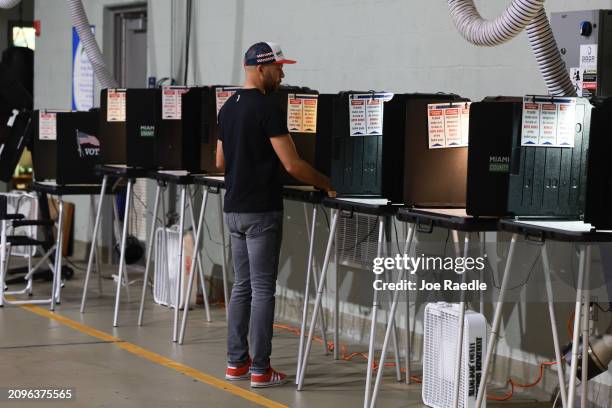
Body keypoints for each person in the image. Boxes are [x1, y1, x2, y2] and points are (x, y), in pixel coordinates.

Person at [216, 41, 332, 388]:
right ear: (261, 68)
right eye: (279, 68)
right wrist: (326, 182)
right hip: (262, 212)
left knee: (242, 288)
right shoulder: (267, 108)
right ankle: (261, 370)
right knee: (264, 289)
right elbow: (293, 164)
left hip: (234, 210)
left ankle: (236, 363)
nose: (282, 74)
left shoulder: (227, 107)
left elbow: (220, 163)